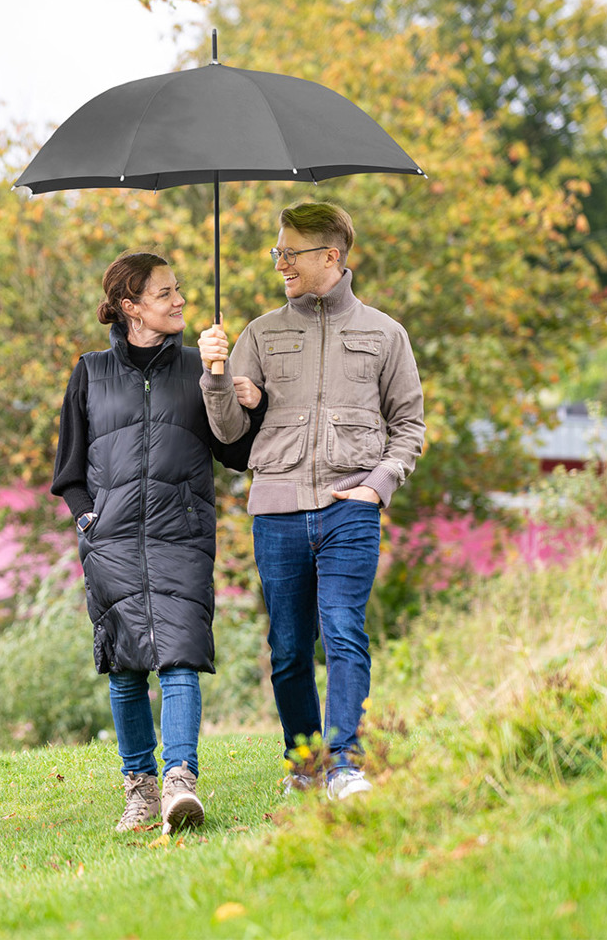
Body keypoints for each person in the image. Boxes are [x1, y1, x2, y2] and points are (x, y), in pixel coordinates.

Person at [197, 201, 425, 801]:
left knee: (345, 629)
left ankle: (346, 764)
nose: (280, 264)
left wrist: (378, 485)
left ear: (332, 256)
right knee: (289, 647)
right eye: (277, 252)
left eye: (289, 253)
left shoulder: (385, 334)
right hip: (276, 508)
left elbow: (409, 426)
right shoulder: (259, 334)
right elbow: (225, 432)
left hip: (351, 504)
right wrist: (219, 377)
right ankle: (306, 763)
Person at [52, 251, 265, 833]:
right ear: (130, 306)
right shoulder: (90, 372)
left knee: (180, 658)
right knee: (125, 667)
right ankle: (140, 792)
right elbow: (69, 469)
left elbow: (236, 452)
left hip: (181, 534)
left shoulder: (200, 366)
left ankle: (179, 784)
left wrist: (239, 392)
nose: (180, 301)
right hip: (111, 539)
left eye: (180, 290)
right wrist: (87, 522)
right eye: (166, 293)